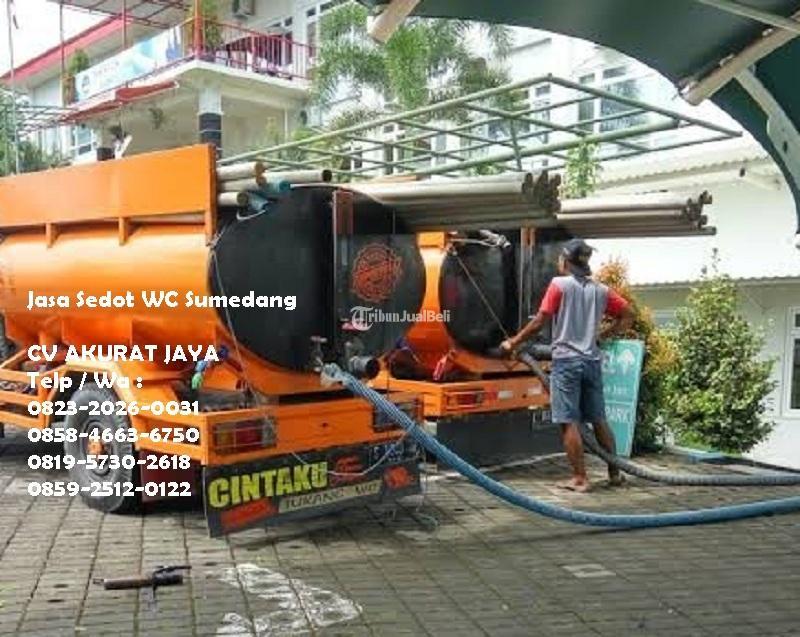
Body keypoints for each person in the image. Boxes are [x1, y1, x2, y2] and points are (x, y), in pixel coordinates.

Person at [501, 238, 633, 492]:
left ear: (566, 262)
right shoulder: (601, 290)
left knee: (568, 421)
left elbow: (539, 322)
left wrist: (513, 342)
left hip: (566, 362)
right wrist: (602, 336)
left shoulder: (559, 285)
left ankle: (580, 479)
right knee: (599, 419)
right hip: (592, 362)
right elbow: (628, 315)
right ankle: (615, 474)